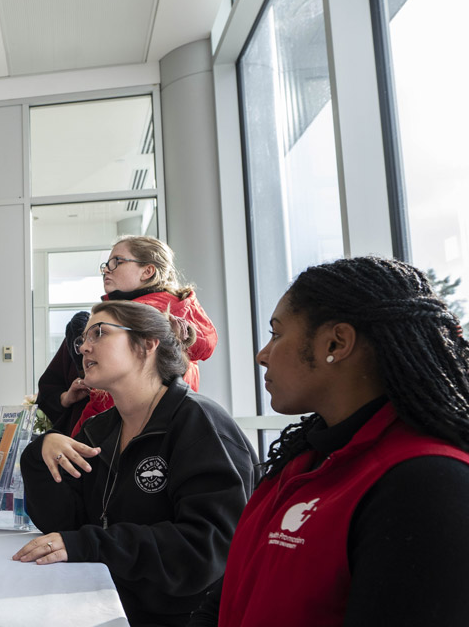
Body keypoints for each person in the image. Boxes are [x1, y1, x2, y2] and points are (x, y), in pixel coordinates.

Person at [188, 257, 469, 627]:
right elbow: (231, 594)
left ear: (336, 342)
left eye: (276, 333)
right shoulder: (304, 455)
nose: (262, 355)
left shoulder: (427, 484)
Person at [13, 300, 255, 627]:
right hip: (105, 604)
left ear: (146, 345)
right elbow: (66, 525)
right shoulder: (99, 430)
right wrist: (40, 453)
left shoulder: (198, 424)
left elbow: (205, 548)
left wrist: (89, 544)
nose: (84, 347)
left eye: (99, 333)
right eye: (82, 339)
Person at [38, 235, 217, 438]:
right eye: (106, 264)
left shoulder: (135, 324)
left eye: (117, 262)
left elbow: (104, 405)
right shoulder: (178, 318)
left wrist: (76, 443)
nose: (107, 269)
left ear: (147, 271)